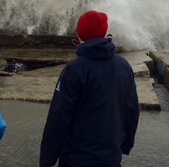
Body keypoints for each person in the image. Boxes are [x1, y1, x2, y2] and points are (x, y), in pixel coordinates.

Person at [40, 10, 140, 167]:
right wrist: (123, 146)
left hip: (76, 159)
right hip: (111, 158)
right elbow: (132, 110)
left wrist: (47, 160)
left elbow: (59, 117)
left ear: (81, 34)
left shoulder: (74, 69)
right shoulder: (124, 66)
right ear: (104, 32)